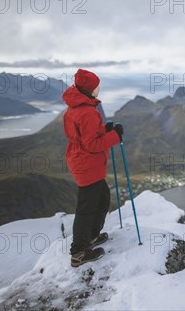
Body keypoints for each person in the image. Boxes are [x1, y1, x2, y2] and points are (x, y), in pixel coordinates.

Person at [62, 69, 124, 267]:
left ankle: (91, 237)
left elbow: (86, 136)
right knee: (87, 209)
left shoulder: (78, 107)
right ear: (89, 89)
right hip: (87, 164)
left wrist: (105, 130)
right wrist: (115, 136)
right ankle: (79, 252)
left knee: (102, 199)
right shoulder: (87, 112)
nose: (99, 88)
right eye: (96, 85)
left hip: (83, 162)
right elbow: (93, 145)